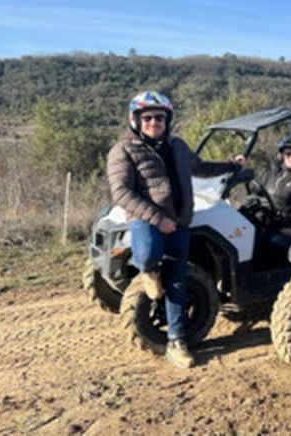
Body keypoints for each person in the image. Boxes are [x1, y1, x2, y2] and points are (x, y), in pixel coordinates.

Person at [107, 90, 244, 369]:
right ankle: (149, 272)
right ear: (136, 120)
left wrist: (231, 165)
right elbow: (121, 192)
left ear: (167, 120)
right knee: (146, 257)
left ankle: (177, 341)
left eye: (159, 117)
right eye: (147, 118)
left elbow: (201, 168)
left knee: (177, 282)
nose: (154, 122)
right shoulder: (123, 150)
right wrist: (159, 219)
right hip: (147, 220)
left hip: (181, 223)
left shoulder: (178, 146)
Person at [255, 134, 291, 261]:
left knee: (261, 244)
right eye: (288, 154)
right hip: (268, 218)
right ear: (282, 156)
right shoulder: (277, 174)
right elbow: (262, 190)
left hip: (284, 225)